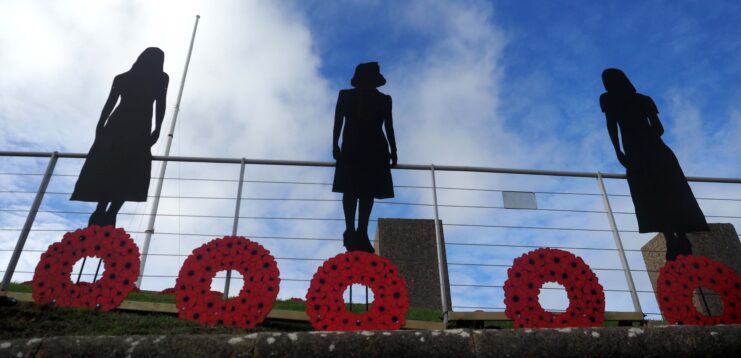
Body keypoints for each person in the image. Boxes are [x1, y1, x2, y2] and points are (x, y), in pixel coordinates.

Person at [599, 68, 708, 261]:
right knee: (670, 190)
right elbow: (658, 128)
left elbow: (612, 126)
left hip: (637, 153)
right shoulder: (643, 99)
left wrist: (618, 151)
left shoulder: (609, 99)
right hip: (656, 150)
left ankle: (672, 238)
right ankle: (679, 237)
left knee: (650, 193)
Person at [71, 47, 169, 228]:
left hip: (120, 126)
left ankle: (104, 211)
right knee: (128, 170)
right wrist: (157, 129)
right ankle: (108, 212)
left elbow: (109, 106)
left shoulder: (125, 78)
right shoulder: (159, 78)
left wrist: (100, 126)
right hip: (136, 128)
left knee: (114, 167)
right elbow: (160, 105)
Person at [332, 62, 398, 253]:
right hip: (356, 146)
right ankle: (352, 230)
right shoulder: (346, 96)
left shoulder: (383, 99)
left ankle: (360, 231)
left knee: (364, 191)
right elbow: (338, 121)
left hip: (371, 147)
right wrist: (335, 144)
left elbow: (389, 127)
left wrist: (394, 150)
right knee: (352, 189)